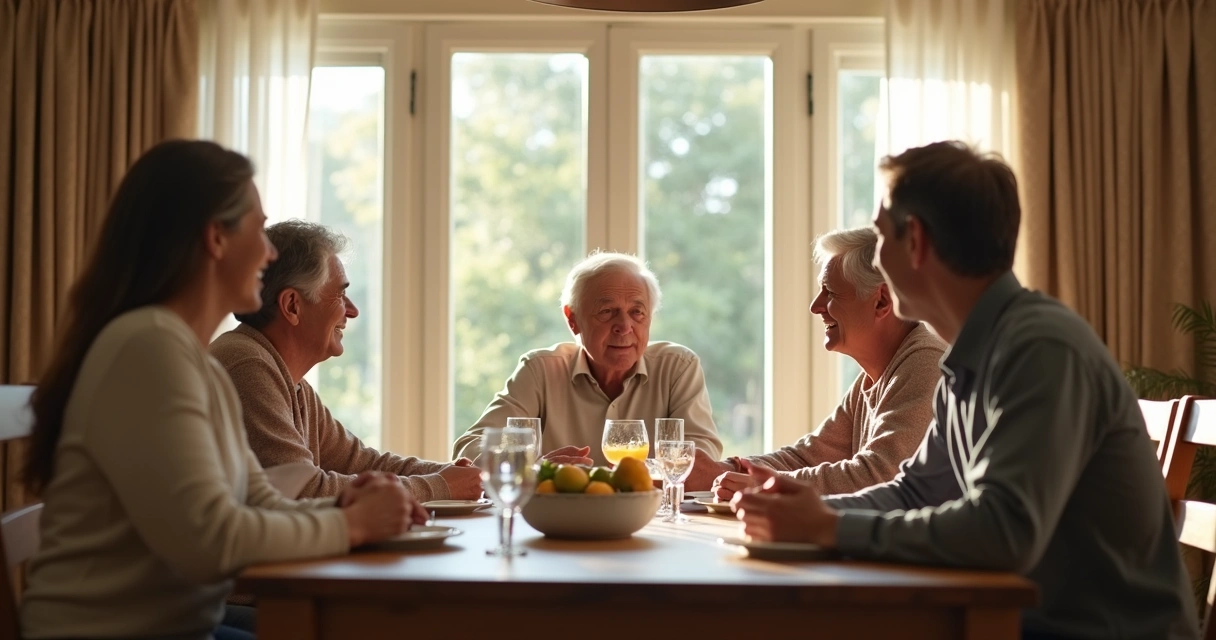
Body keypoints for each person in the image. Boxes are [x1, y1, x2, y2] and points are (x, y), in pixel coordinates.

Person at [733, 141, 1198, 639]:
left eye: (881, 234)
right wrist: (809, 510)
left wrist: (828, 526)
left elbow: (1004, 532)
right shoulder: (971, 355)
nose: (878, 254)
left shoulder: (1040, 348)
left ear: (916, 241)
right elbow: (916, 491)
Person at [19, 140, 425, 640]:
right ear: (216, 238)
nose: (269, 253)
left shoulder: (193, 360)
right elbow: (210, 541)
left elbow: (258, 504)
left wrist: (344, 508)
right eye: (259, 230)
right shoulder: (148, 348)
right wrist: (354, 524)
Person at [211, 220, 481, 502]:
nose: (352, 311)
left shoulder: (288, 380)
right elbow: (303, 491)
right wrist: (440, 485)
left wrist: (448, 473)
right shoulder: (248, 364)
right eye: (340, 294)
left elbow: (363, 463)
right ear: (292, 305)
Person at [684, 227, 943, 497]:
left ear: (881, 301)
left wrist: (762, 485)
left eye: (830, 292)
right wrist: (725, 470)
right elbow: (806, 457)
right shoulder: (876, 375)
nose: (815, 306)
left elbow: (877, 475)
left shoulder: (925, 365)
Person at [454, 251, 724, 467]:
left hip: (651, 514)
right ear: (573, 319)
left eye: (637, 312)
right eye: (607, 312)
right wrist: (536, 467)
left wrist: (645, 473)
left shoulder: (677, 367)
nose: (624, 326)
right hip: (561, 515)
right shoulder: (540, 371)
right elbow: (471, 446)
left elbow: (702, 455)